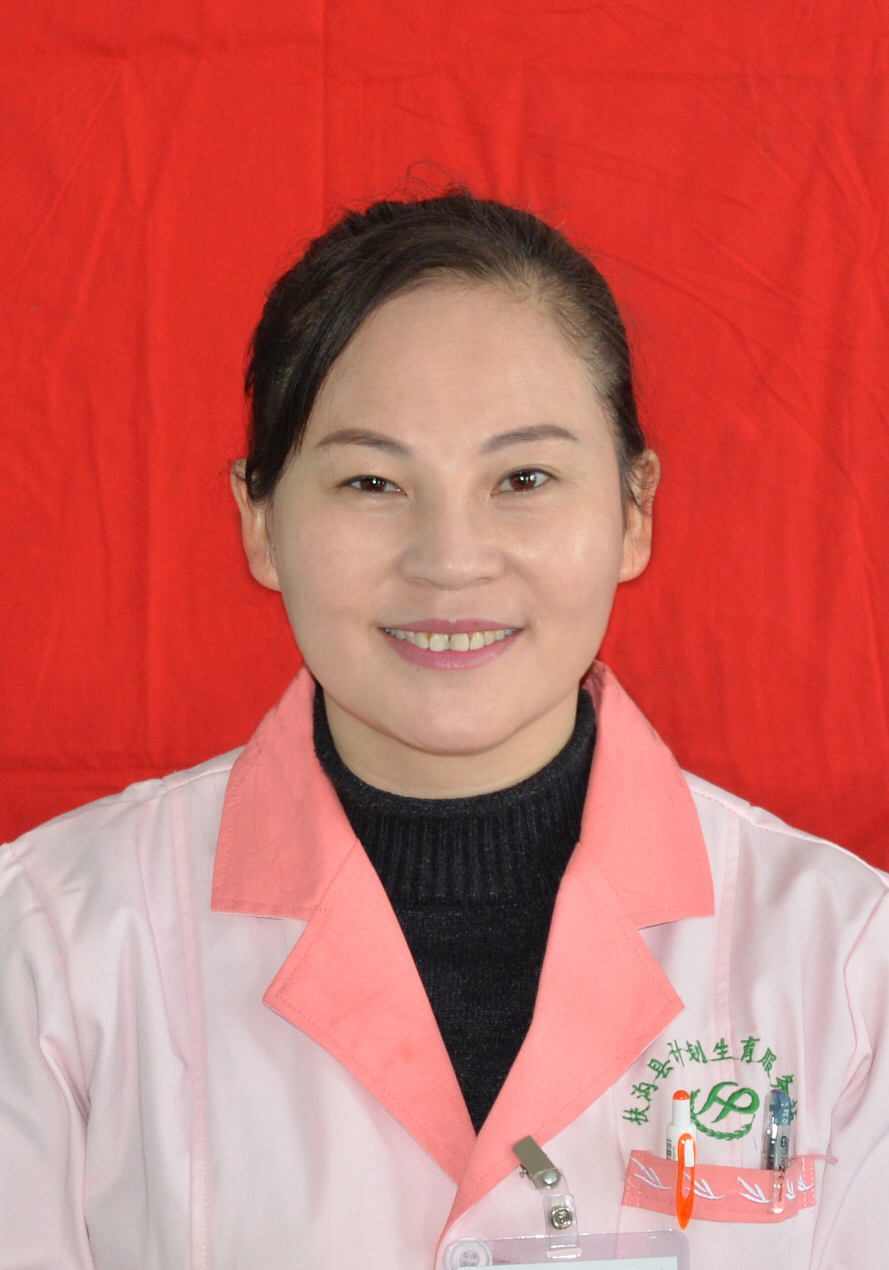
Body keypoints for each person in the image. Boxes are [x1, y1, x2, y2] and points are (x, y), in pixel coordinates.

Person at [1, 191, 886, 1269]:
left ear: (634, 509)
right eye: (371, 481)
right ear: (260, 520)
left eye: (524, 478)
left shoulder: (848, 963)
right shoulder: (48, 949)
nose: (450, 560)